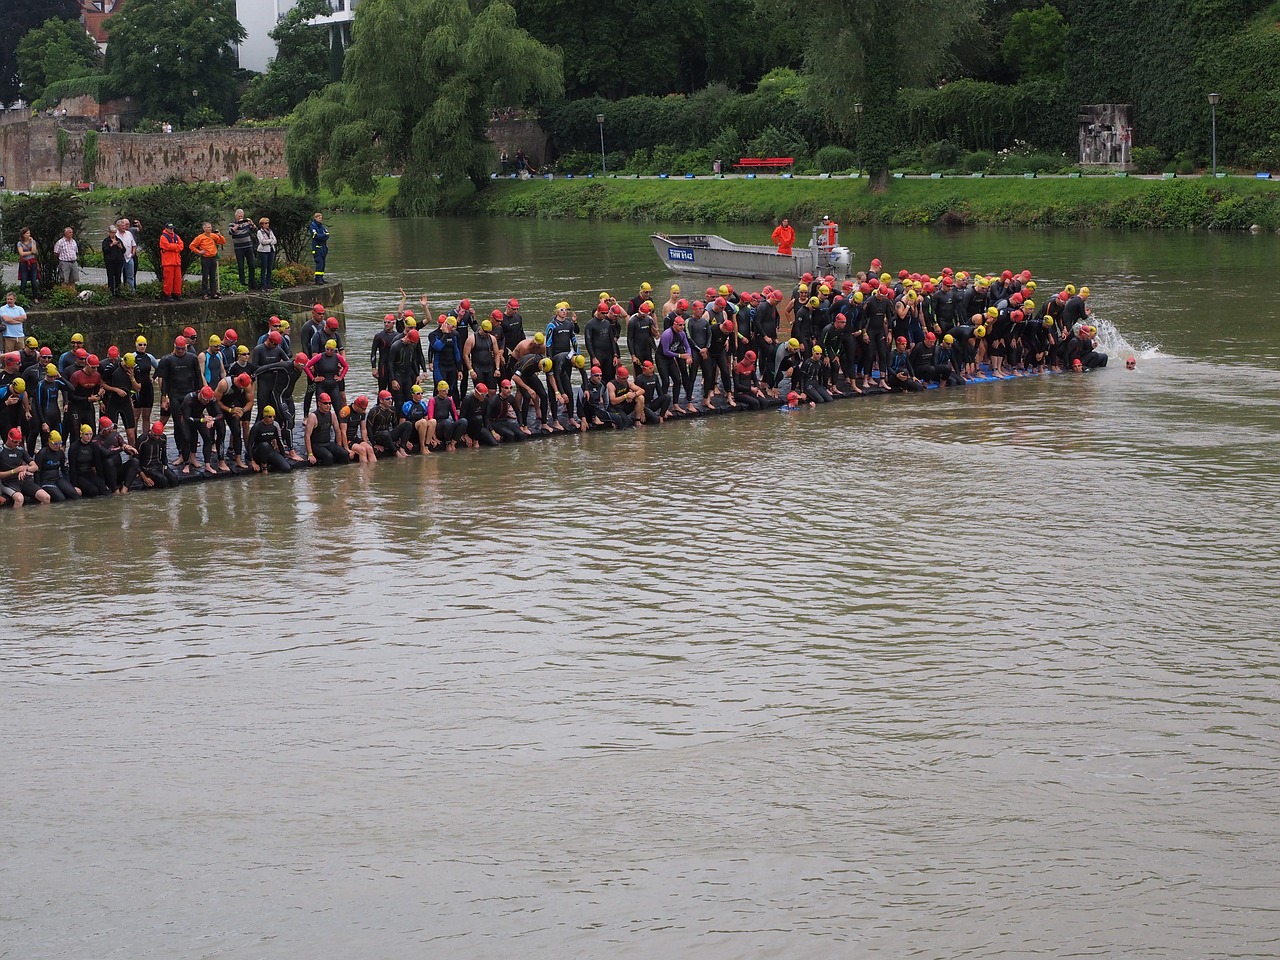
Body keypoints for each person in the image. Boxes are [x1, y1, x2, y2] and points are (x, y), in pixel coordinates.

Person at [33, 430, 78, 502]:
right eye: (55, 444)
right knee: (61, 499)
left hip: (57, 479)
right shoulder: (42, 453)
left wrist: (69, 484)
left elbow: (64, 470)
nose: (58, 446)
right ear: (50, 442)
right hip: (45, 481)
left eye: (59, 443)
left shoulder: (60, 453)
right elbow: (37, 472)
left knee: (74, 495)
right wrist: (38, 489)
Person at [304, 392, 347, 465]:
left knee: (344, 454)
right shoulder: (313, 416)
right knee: (328, 457)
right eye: (325, 403)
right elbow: (307, 436)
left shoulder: (332, 414)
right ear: (319, 404)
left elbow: (337, 431)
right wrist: (310, 454)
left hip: (327, 443)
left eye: (330, 403)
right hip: (316, 445)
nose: (328, 406)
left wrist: (338, 446)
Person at [248, 406, 292, 473]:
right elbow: (249, 444)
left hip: (269, 451)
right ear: (264, 416)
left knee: (287, 468)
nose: (272, 419)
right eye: (270, 417)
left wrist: (283, 457)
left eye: (274, 417)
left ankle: (269, 464)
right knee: (264, 445)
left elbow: (279, 442)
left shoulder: (274, 426)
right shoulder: (257, 426)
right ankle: (264, 468)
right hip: (258, 452)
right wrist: (252, 461)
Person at [189, 222, 227, 299]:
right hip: (205, 258)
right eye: (208, 227)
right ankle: (204, 294)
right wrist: (199, 252)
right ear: (204, 229)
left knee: (213, 276)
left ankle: (213, 293)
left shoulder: (213, 236)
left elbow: (223, 242)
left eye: (210, 227)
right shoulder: (200, 237)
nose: (210, 229)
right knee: (205, 276)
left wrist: (219, 235)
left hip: (213, 258)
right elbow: (191, 246)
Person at [136, 421, 179, 488]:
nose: (157, 438)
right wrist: (143, 476)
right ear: (151, 430)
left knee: (174, 479)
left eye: (159, 436)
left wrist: (166, 468)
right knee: (163, 481)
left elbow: (164, 456)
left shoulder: (163, 438)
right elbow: (135, 459)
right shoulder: (142, 440)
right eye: (154, 435)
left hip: (158, 465)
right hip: (146, 467)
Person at [229, 209, 257, 289]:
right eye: (239, 216)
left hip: (248, 247)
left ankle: (252, 283)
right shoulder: (232, 224)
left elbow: (255, 229)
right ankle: (242, 283)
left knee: (251, 265)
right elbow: (231, 232)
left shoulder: (246, 224)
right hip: (239, 248)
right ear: (236, 216)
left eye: (241, 216)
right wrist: (238, 224)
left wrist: (251, 223)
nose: (240, 217)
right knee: (241, 266)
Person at [159, 224, 184, 300]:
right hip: (168, 262)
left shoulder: (176, 236)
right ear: (166, 228)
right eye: (170, 228)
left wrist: (174, 246)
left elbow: (181, 246)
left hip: (176, 261)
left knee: (178, 279)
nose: (171, 230)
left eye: (172, 228)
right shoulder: (163, 237)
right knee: (168, 279)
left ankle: (176, 294)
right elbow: (167, 246)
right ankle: (167, 294)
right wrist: (176, 246)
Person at [102, 224, 127, 297]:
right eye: (112, 232)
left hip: (118, 262)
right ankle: (111, 292)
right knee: (110, 277)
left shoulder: (118, 240)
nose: (113, 234)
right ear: (109, 232)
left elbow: (124, 250)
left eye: (115, 232)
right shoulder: (106, 241)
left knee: (118, 277)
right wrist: (111, 245)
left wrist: (120, 246)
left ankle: (118, 291)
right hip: (110, 262)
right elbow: (105, 250)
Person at [15, 228, 39, 302]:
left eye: (29, 233)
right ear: (23, 235)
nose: (29, 235)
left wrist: (32, 242)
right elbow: (22, 253)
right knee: (24, 281)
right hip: (24, 263)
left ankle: (35, 297)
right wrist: (30, 252)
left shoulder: (33, 241)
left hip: (33, 263)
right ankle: (22, 297)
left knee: (34, 281)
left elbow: (35, 251)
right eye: (27, 233)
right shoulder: (20, 243)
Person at [308, 212, 330, 284]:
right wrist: (323, 236)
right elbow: (315, 236)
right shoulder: (313, 226)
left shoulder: (322, 226)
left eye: (321, 218)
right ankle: (318, 279)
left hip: (323, 249)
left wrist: (322, 236)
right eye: (319, 218)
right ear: (315, 218)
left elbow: (327, 235)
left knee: (323, 264)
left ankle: (321, 277)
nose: (320, 219)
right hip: (317, 249)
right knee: (319, 263)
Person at [257, 218, 278, 292]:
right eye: (265, 223)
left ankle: (268, 284)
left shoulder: (270, 231)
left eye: (268, 223)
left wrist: (270, 241)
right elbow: (262, 241)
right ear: (262, 224)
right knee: (264, 267)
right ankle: (263, 285)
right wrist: (270, 241)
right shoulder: (260, 232)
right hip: (263, 251)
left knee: (270, 267)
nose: (267, 224)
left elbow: (275, 240)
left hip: (271, 250)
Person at [116, 218, 138, 292]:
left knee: (130, 276)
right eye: (122, 226)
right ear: (118, 227)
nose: (124, 227)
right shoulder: (116, 234)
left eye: (124, 225)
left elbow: (133, 245)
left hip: (129, 257)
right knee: (118, 275)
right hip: (120, 258)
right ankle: (118, 290)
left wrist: (133, 253)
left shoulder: (129, 234)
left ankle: (131, 291)